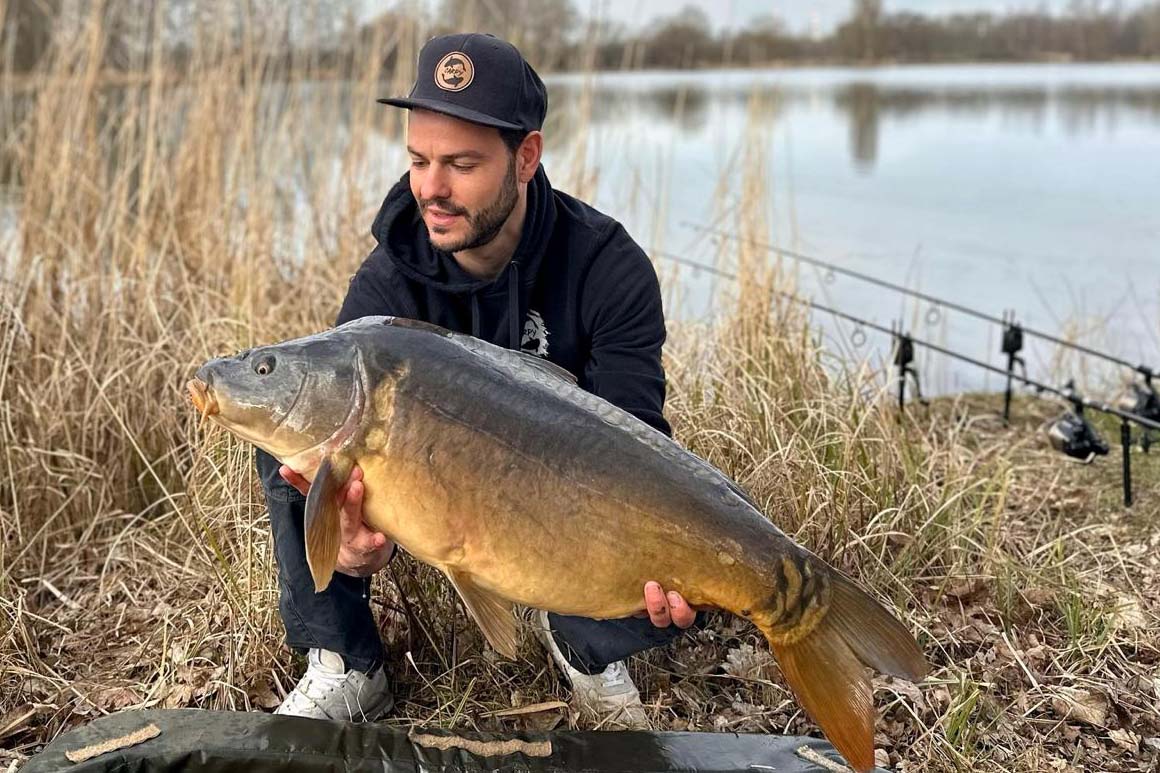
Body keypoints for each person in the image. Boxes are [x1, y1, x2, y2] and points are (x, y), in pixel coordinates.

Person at [255, 32, 705, 728]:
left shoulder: (608, 267)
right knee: (294, 431)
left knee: (677, 581)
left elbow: (636, 446)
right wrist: (350, 546)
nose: (431, 188)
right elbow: (358, 466)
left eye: (461, 164)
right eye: (418, 160)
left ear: (526, 155)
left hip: (567, 509)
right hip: (426, 492)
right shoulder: (385, 287)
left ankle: (585, 645)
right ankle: (346, 661)